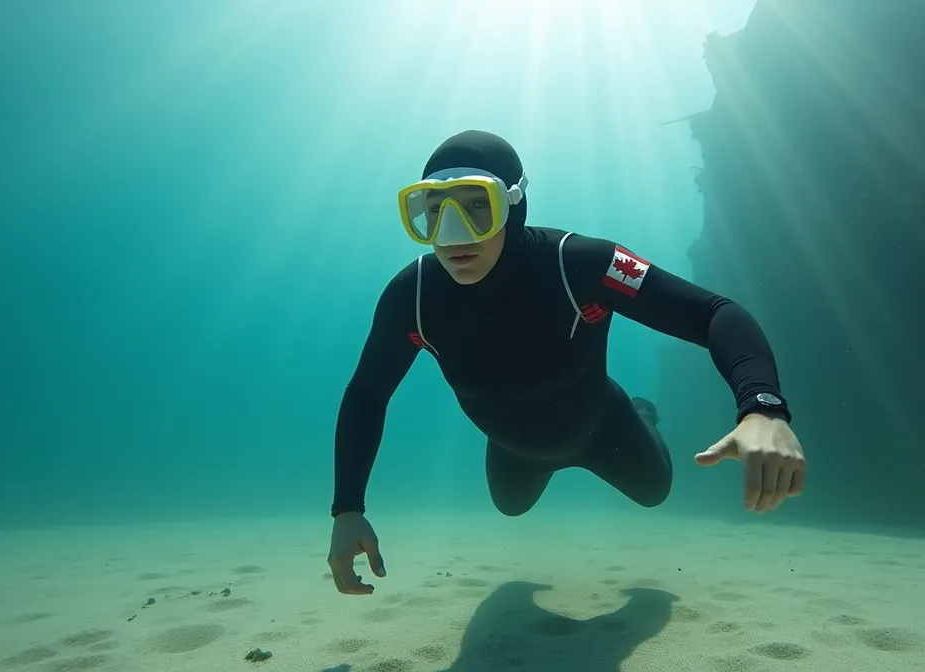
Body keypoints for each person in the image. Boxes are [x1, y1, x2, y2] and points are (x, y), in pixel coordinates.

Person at [327, 130, 807, 596]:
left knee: (655, 491)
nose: (452, 234)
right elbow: (368, 393)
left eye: (477, 205)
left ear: (514, 205)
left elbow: (715, 313)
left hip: (606, 429)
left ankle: (642, 411)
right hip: (514, 448)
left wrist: (762, 408)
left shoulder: (583, 265)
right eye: (434, 211)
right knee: (510, 506)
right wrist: (347, 509)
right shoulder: (410, 298)